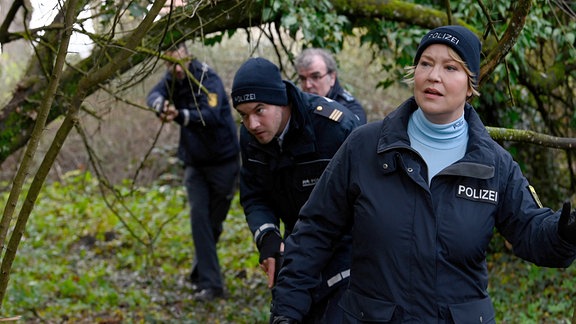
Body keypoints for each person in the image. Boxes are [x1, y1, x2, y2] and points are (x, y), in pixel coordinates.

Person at [271, 25, 576, 323]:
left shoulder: (494, 164)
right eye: (425, 63)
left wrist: (564, 233)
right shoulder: (365, 147)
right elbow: (314, 231)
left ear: (471, 85)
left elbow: (530, 230)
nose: (434, 76)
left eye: (451, 68)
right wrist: (287, 309)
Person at [231, 57, 361, 322]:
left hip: (348, 251)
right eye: (243, 115)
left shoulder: (336, 127)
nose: (252, 124)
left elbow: (369, 201)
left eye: (259, 110)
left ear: (281, 100)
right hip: (296, 250)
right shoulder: (250, 137)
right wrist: (267, 237)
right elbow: (254, 194)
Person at [146, 42, 240, 302]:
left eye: (179, 63)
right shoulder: (171, 79)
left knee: (213, 224)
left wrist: (178, 115)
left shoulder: (209, 79)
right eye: (169, 64)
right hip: (195, 164)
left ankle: (200, 272)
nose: (175, 70)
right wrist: (160, 107)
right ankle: (212, 285)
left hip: (224, 162)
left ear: (188, 57)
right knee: (199, 219)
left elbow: (209, 115)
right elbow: (152, 95)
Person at [295, 48, 367, 124]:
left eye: (315, 77)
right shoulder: (299, 106)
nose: (308, 85)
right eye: (303, 78)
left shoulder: (351, 109)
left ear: (332, 77)